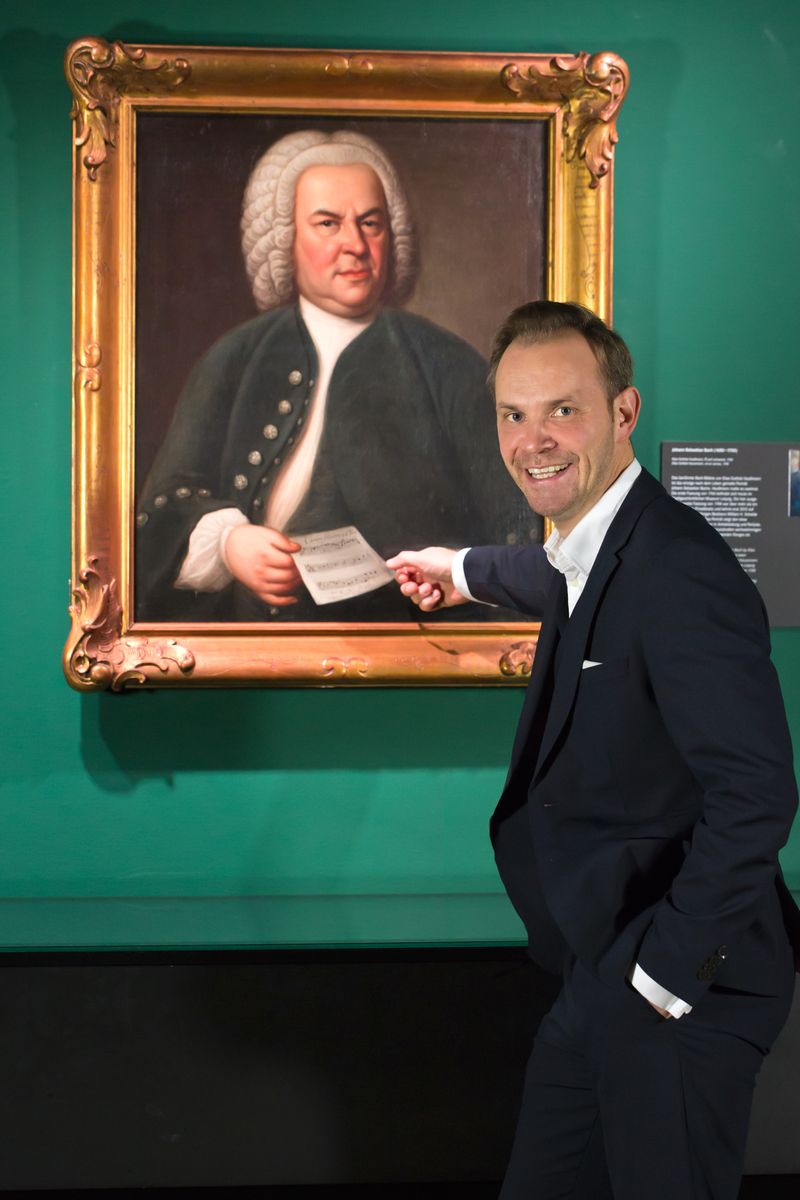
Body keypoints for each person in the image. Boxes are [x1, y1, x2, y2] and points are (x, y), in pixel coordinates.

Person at [387, 300, 800, 1199]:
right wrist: (458, 571)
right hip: (600, 972)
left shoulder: (680, 566)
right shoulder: (596, 546)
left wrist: (660, 978)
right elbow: (549, 573)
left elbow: (758, 795)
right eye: (513, 414)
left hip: (679, 983)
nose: (533, 439)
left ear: (624, 413)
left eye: (562, 410)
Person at [135, 129, 536, 621]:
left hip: (406, 650)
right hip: (243, 654)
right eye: (328, 223)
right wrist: (229, 544)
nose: (355, 245)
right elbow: (160, 509)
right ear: (287, 238)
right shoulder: (236, 356)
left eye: (371, 223)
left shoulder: (448, 365)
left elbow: (519, 528)